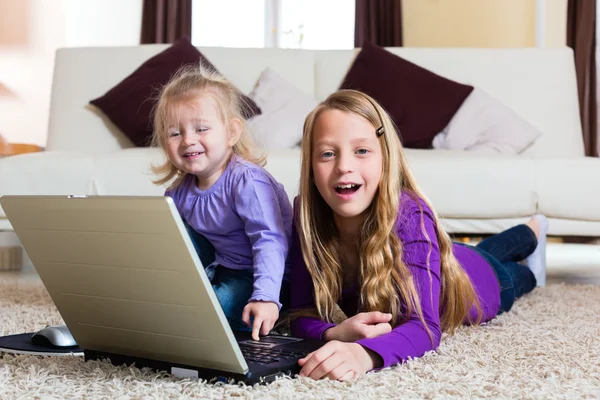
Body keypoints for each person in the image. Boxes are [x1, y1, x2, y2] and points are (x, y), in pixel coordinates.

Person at [289, 89, 548, 381]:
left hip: (483, 280)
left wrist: (363, 354)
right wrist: (334, 332)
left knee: (515, 274)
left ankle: (533, 232)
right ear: (310, 168)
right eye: (327, 153)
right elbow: (299, 312)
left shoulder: (411, 214)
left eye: (361, 150)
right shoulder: (306, 215)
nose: (344, 166)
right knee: (479, 248)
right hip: (446, 254)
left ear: (386, 159)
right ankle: (530, 231)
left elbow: (423, 327)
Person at [151, 64, 292, 340]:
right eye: (174, 133)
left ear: (231, 133)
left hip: (267, 278)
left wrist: (265, 297)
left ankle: (261, 311)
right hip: (223, 267)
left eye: (201, 128)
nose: (188, 140)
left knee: (210, 313)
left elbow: (270, 240)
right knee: (168, 229)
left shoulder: (247, 181)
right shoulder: (178, 193)